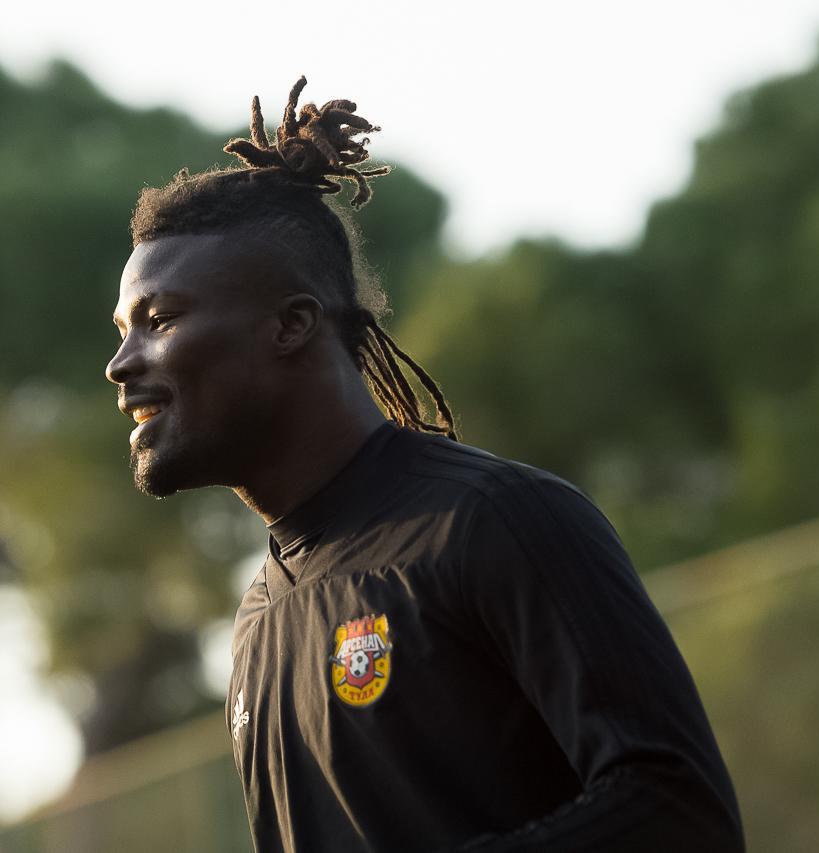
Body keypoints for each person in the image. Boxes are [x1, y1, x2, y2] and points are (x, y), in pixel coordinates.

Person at [105, 77, 745, 853]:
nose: (120, 363)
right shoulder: (257, 623)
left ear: (291, 325)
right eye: (122, 330)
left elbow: (679, 808)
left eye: (159, 319)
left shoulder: (494, 521)